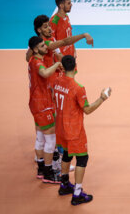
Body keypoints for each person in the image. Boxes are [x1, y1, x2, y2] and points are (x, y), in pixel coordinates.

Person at [26, 15, 94, 173]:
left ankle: (42, 160)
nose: (49, 29)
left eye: (49, 26)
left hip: (46, 90)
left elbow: (58, 54)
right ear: (38, 31)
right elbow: (64, 43)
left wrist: (65, 63)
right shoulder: (44, 45)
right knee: (50, 132)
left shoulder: (39, 45)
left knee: (43, 132)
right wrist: (84, 35)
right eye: (44, 27)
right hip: (44, 92)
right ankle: (49, 165)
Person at [53, 55, 111, 205]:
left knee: (66, 154)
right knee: (82, 158)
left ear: (63, 67)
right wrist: (102, 98)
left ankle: (64, 184)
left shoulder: (57, 81)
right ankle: (77, 193)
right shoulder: (77, 88)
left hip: (60, 128)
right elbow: (88, 109)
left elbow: (55, 98)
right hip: (73, 130)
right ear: (75, 66)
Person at [28, 36, 62, 183]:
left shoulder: (32, 61)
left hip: (36, 104)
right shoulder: (36, 62)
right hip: (43, 105)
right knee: (50, 140)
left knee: (40, 138)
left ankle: (41, 169)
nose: (45, 47)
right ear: (35, 49)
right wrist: (57, 64)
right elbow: (45, 73)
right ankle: (49, 173)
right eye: (42, 46)